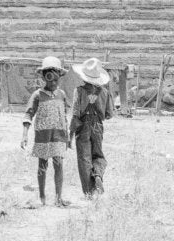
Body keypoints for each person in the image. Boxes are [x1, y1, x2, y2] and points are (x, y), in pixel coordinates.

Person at [24, 55, 72, 206]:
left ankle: (58, 198)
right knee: (42, 166)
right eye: (49, 79)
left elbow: (64, 116)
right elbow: (28, 114)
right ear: (44, 78)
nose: (53, 82)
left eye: (56, 79)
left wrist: (68, 137)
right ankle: (42, 197)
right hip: (43, 136)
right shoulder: (38, 95)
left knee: (58, 165)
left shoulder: (62, 95)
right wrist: (24, 135)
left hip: (58, 136)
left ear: (59, 78)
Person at [70, 57, 112, 197]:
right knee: (98, 155)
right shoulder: (105, 92)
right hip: (98, 126)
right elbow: (108, 114)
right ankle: (98, 174)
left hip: (83, 126)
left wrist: (70, 135)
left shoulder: (79, 91)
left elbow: (75, 113)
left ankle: (89, 191)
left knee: (84, 158)